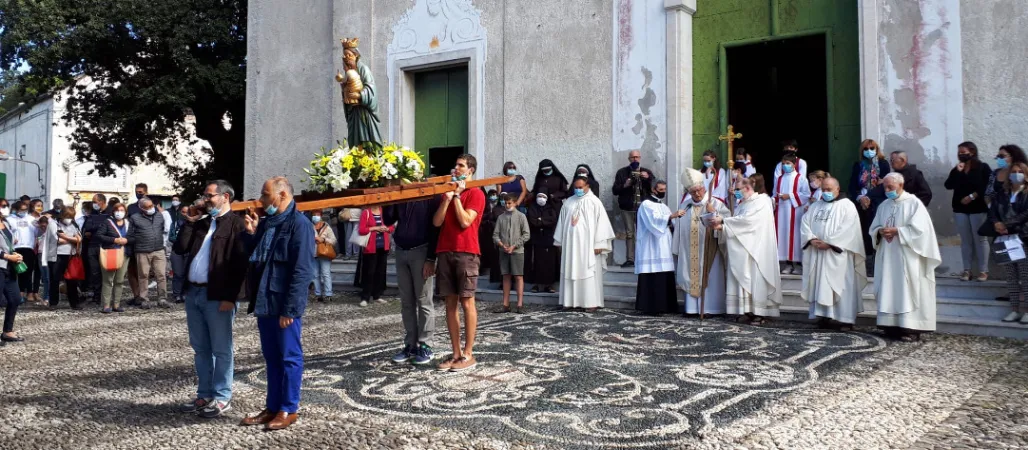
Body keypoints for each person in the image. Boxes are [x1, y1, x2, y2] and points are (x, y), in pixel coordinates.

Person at [239, 177, 314, 431]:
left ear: (282, 195)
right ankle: (272, 407)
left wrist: (290, 309)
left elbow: (302, 271)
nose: (261, 199)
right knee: (271, 357)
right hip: (265, 300)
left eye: (265, 194)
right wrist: (251, 234)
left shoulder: (299, 225)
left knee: (290, 357)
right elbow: (257, 257)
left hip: (283, 304)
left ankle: (288, 409)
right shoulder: (268, 222)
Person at [175, 180, 250, 419]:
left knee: (221, 349)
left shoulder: (237, 224)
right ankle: (204, 393)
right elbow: (180, 248)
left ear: (225, 197)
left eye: (210, 196)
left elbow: (240, 265)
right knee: (200, 348)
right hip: (194, 293)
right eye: (205, 196)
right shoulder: (202, 223)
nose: (205, 199)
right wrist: (190, 221)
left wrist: (231, 297)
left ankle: (222, 396)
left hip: (218, 295)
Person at [871, 172, 942, 341]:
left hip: (908, 256)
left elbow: (921, 231)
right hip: (889, 255)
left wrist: (898, 231)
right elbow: (874, 227)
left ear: (901, 185)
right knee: (889, 286)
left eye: (890, 187)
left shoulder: (914, 204)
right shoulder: (884, 205)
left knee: (907, 288)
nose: (887, 190)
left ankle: (910, 327)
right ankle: (890, 325)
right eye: (885, 187)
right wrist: (880, 232)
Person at [432, 154, 486, 372]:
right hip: (445, 250)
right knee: (450, 303)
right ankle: (455, 353)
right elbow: (437, 222)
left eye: (461, 165)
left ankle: (468, 353)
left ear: (470, 170)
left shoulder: (476, 193)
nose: (456, 168)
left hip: (466, 251)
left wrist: (456, 197)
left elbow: (465, 221)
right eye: (455, 165)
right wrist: (447, 199)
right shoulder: (447, 193)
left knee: (467, 302)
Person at [710, 177, 782, 324]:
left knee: (756, 279)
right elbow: (738, 225)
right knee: (744, 280)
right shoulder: (743, 204)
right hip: (743, 248)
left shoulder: (762, 201)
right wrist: (722, 228)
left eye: (737, 189)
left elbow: (748, 222)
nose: (734, 192)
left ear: (748, 188)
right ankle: (747, 311)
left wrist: (723, 221)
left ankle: (760, 312)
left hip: (758, 250)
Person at [800, 177, 867, 330]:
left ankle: (845, 319)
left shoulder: (847, 205)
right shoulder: (816, 205)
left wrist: (830, 243)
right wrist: (811, 239)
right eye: (823, 189)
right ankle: (823, 316)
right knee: (820, 284)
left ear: (837, 189)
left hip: (838, 255)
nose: (825, 192)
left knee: (842, 285)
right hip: (818, 253)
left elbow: (849, 228)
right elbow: (805, 223)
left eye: (829, 189)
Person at [383, 196, 440, 366]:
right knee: (406, 302)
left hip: (421, 250)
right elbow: (388, 220)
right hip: (402, 250)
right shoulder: (403, 195)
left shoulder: (431, 195)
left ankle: (425, 344)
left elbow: (435, 227)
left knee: (424, 300)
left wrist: (431, 258)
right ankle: (410, 344)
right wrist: (390, 198)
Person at [673, 168, 731, 316]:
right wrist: (677, 247)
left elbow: (727, 221)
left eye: (699, 190)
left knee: (711, 277)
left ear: (704, 188)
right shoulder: (684, 206)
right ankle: (692, 309)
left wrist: (714, 213)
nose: (697, 194)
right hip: (689, 249)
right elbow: (679, 228)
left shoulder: (716, 203)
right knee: (689, 274)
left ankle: (711, 308)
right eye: (693, 192)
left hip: (710, 249)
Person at [555, 175, 616, 311]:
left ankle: (590, 303)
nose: (578, 190)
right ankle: (569, 302)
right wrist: (559, 241)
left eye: (580, 187)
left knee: (588, 271)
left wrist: (599, 244)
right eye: (576, 187)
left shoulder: (595, 202)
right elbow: (562, 222)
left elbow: (602, 224)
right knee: (570, 270)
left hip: (588, 247)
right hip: (571, 246)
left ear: (587, 186)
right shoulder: (568, 202)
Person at [944, 141, 992, 281]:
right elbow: (948, 185)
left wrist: (972, 196)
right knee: (965, 240)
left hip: (978, 208)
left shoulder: (982, 167)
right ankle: (967, 270)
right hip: (960, 208)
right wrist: (957, 172)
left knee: (980, 239)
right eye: (959, 152)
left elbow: (988, 185)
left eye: (963, 152)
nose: (961, 155)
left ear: (972, 152)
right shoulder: (958, 168)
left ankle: (983, 271)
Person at [989, 162, 1028, 323]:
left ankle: (1026, 310)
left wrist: (1006, 224)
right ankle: (1014, 310)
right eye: (1014, 171)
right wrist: (996, 224)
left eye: (1020, 171)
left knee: (1025, 276)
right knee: (1011, 277)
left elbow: (1025, 214)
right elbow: (993, 211)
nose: (1016, 174)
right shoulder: (1002, 193)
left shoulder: (1026, 193)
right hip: (1004, 238)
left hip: (1022, 237)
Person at [634, 180, 680, 315]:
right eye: (661, 190)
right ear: (653, 190)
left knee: (665, 274)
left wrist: (672, 221)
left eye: (664, 189)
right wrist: (671, 216)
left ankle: (667, 306)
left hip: (663, 246)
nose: (663, 192)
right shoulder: (646, 204)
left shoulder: (663, 206)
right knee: (653, 274)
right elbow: (653, 222)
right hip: (651, 246)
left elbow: (670, 223)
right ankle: (651, 307)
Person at [613, 150, 655, 268]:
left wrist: (648, 178)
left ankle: (644, 257)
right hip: (627, 207)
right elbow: (615, 190)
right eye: (632, 157)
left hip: (643, 208)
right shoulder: (622, 172)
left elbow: (654, 189)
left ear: (640, 158)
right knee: (630, 234)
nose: (635, 159)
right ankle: (630, 259)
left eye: (637, 157)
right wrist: (625, 185)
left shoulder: (646, 172)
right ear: (629, 159)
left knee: (643, 233)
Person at [128, 197, 169, 309]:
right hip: (142, 251)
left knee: (161, 275)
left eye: (151, 206)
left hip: (158, 249)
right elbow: (130, 235)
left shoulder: (159, 216)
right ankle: (144, 299)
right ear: (141, 208)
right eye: (147, 207)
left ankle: (162, 298)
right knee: (143, 276)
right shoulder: (134, 218)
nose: (151, 208)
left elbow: (162, 229)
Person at [773, 154, 811, 274]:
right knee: (783, 236)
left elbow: (806, 194)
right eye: (783, 164)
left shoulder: (801, 178)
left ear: (794, 164)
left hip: (795, 212)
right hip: (781, 212)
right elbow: (774, 193)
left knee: (795, 237)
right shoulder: (779, 178)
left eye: (788, 163)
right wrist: (774, 200)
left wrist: (789, 196)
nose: (785, 166)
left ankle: (798, 264)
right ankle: (787, 264)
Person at [492, 193, 530, 314]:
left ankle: (519, 304)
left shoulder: (521, 216)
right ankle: (505, 304)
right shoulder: (501, 217)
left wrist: (514, 245)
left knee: (518, 276)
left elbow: (526, 234)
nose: (507, 205)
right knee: (506, 276)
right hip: (504, 251)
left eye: (509, 203)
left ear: (515, 203)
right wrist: (501, 244)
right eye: (505, 203)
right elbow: (495, 235)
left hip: (517, 251)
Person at [97, 203, 133, 313]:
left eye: (122, 210)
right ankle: (106, 305)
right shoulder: (107, 222)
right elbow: (99, 235)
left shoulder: (129, 223)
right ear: (113, 212)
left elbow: (134, 237)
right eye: (117, 210)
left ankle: (116, 304)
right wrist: (114, 240)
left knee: (119, 280)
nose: (119, 212)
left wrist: (127, 240)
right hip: (110, 253)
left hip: (124, 254)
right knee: (108, 280)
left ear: (125, 212)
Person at [357, 204, 393, 307]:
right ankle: (365, 297)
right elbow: (361, 230)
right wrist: (375, 228)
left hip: (383, 246)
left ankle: (377, 295)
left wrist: (386, 228)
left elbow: (391, 227)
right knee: (369, 273)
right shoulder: (366, 212)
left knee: (380, 272)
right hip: (370, 247)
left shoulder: (384, 211)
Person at [46, 209, 83, 310]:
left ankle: (74, 303)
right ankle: (53, 303)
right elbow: (57, 240)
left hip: (71, 255)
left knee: (72, 280)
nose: (68, 219)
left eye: (71, 217)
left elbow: (79, 239)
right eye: (67, 216)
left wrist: (65, 237)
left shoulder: (74, 225)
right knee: (55, 279)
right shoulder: (54, 224)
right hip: (57, 255)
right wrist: (72, 239)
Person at [526, 188, 560, 293]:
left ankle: (549, 285)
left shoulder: (551, 208)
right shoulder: (532, 208)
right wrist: (544, 221)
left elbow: (553, 220)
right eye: (539, 196)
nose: (541, 198)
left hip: (549, 239)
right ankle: (536, 285)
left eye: (544, 197)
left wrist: (540, 220)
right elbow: (532, 221)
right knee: (536, 262)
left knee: (549, 263)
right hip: (536, 239)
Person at [0, 211, 25, 344]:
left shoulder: (5, 223)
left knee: (15, 298)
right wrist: (8, 256)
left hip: (9, 267)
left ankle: (7, 331)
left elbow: (9, 243)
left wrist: (15, 254)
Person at [10, 201, 41, 305]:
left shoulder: (31, 219)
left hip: (28, 247)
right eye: (21, 210)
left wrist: (40, 226)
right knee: (17, 271)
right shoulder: (10, 219)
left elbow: (38, 233)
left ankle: (24, 293)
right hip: (15, 248)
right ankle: (18, 293)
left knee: (27, 271)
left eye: (25, 210)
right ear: (16, 209)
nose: (23, 212)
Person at [82, 194, 109, 301]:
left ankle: (105, 295)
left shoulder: (110, 213)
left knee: (106, 272)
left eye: (95, 201)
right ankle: (97, 295)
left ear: (102, 201)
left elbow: (107, 228)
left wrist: (94, 229)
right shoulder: (92, 214)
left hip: (105, 246)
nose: (93, 204)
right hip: (92, 246)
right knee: (94, 271)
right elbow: (86, 229)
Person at [310, 210, 337, 302]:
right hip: (313, 253)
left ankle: (328, 294)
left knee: (326, 274)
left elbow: (334, 240)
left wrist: (323, 239)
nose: (315, 216)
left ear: (321, 216)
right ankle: (318, 294)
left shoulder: (326, 227)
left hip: (324, 253)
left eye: (317, 214)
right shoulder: (309, 227)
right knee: (315, 275)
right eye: (314, 215)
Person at [481, 189, 504, 286]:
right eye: (491, 195)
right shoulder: (490, 207)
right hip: (489, 234)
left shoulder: (503, 210)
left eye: (495, 194)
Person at [169, 204, 190, 303]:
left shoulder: (194, 224)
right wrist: (180, 240)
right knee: (178, 273)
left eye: (187, 212)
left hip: (189, 251)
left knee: (187, 273)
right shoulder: (175, 224)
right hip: (176, 251)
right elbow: (171, 236)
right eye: (183, 212)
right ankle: (177, 294)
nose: (185, 214)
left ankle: (185, 293)